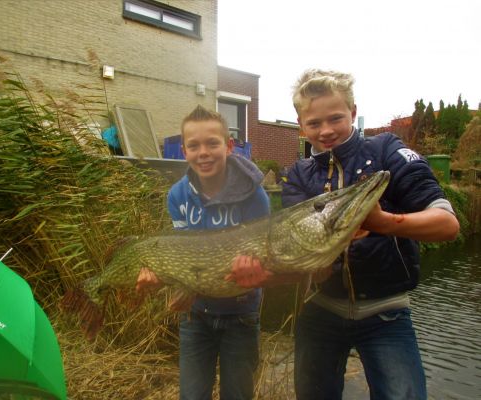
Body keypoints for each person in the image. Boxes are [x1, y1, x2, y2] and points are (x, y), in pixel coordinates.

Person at [226, 69, 460, 400]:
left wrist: (384, 222)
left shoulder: (386, 151)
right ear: (301, 124)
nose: (326, 131)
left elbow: (447, 224)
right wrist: (263, 276)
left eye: (335, 118)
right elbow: (311, 267)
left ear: (352, 112)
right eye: (314, 123)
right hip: (322, 310)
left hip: (387, 313)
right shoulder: (300, 175)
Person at [135, 105, 270, 400]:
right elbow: (185, 257)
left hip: (241, 315)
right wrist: (161, 278)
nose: (203, 152)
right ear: (184, 151)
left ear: (229, 146)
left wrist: (257, 272)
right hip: (195, 317)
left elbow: (264, 258)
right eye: (194, 146)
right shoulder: (177, 195)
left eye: (212, 143)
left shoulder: (255, 195)